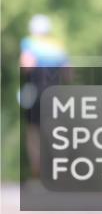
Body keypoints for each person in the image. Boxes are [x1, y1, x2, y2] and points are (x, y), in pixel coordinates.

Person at [19, 14, 69, 177]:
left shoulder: (29, 44)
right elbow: (68, 73)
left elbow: (26, 65)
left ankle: (37, 168)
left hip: (35, 91)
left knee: (33, 131)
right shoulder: (58, 46)